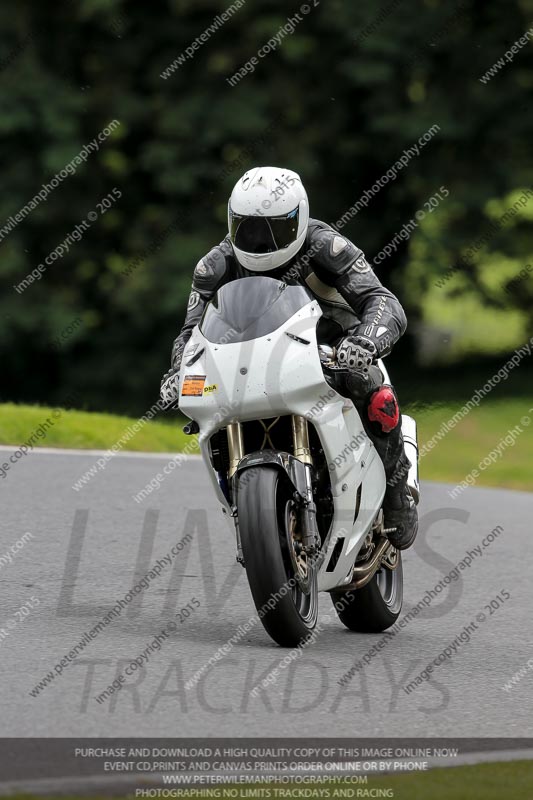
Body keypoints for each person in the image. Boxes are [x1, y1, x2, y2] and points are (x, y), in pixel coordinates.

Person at [161, 166, 417, 549]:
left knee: (374, 392)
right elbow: (191, 331)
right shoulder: (215, 265)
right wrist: (178, 371)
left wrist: (364, 341)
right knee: (202, 404)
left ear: (299, 218)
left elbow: (382, 301)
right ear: (232, 223)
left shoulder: (327, 246)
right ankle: (249, 511)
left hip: (337, 349)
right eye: (248, 228)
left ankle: (399, 497)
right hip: (253, 361)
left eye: (273, 229)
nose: (260, 241)